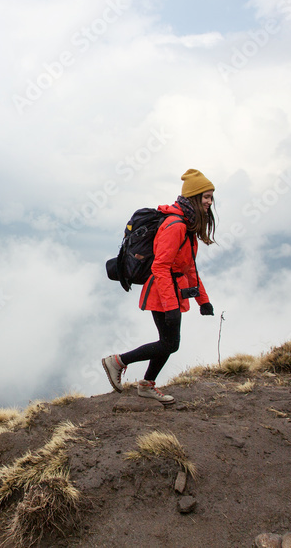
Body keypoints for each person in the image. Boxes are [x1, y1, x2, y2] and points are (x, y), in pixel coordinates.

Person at [102, 169, 216, 405]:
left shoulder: (187, 224)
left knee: (169, 342)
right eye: (205, 196)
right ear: (194, 197)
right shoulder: (176, 226)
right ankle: (118, 361)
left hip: (174, 289)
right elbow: (160, 267)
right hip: (162, 290)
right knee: (169, 343)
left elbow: (189, 267)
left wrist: (203, 300)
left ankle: (146, 384)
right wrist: (171, 306)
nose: (209, 202)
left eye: (211, 197)